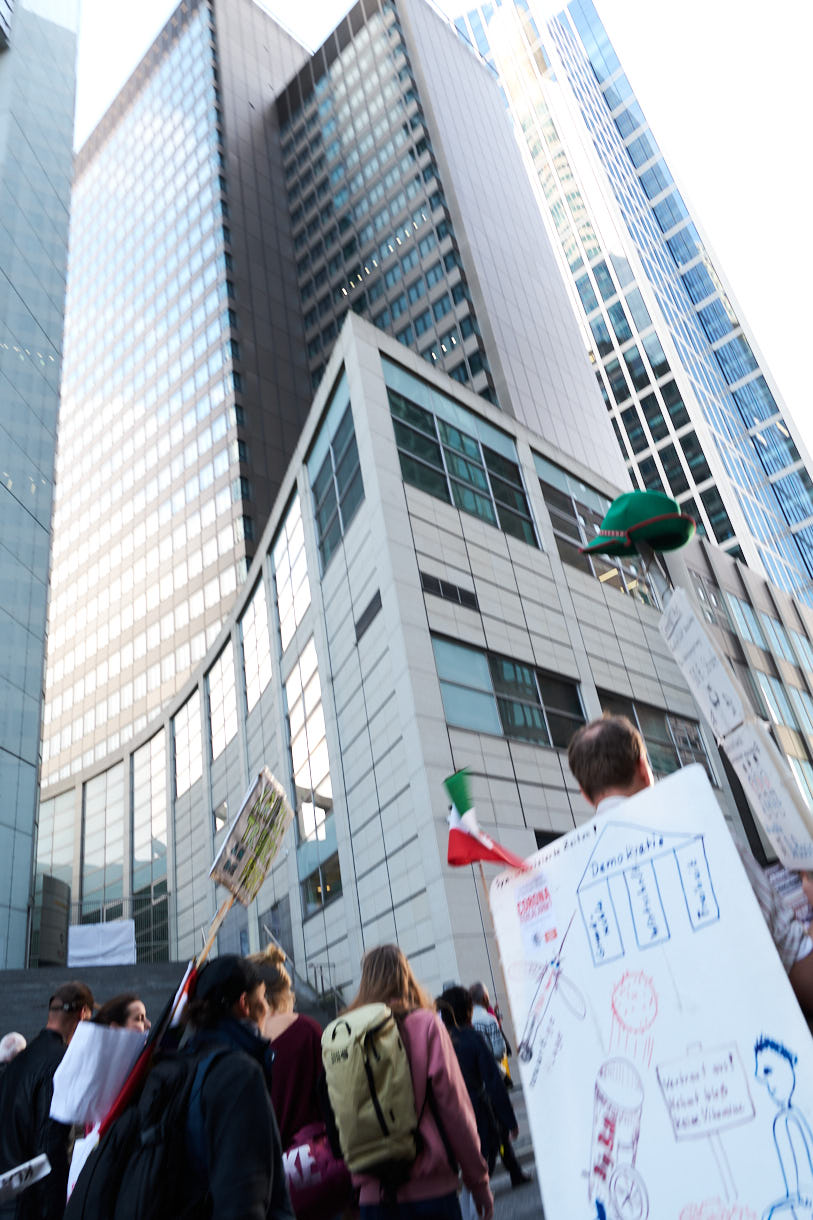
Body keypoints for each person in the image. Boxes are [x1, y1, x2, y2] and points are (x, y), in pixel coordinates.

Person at [567, 714, 813, 1017]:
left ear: (584, 793)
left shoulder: (569, 888)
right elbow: (803, 972)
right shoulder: (707, 835)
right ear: (644, 767)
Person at [345, 944, 493, 1220]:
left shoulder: (347, 1035)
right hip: (431, 1190)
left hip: (373, 1195)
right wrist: (478, 1181)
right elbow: (455, 1110)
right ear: (405, 976)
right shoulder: (424, 1024)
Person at [181, 954, 294, 1220]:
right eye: (263, 998)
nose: (267, 1007)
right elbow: (244, 1198)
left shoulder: (183, 1062)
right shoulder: (239, 1074)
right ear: (245, 1004)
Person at [0, 981, 94, 1220]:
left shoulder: (16, 1063)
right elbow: (50, 1147)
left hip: (8, 1199)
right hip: (33, 1206)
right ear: (83, 1014)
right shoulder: (62, 1063)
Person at [436, 988, 518, 1177]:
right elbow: (493, 1081)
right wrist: (510, 1120)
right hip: (477, 1111)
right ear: (468, 1010)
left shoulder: (438, 1043)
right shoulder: (471, 1039)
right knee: (485, 1158)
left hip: (449, 1118)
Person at [248, 946, 322, 1149]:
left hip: (262, 1163)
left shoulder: (242, 1040)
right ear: (285, 992)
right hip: (307, 1160)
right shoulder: (309, 1030)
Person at [468, 984, 529, 1188]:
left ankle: (514, 1171)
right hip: (492, 1078)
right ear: (485, 998)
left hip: (474, 1084)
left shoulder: (466, 1021)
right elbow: (498, 1051)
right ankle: (496, 1177)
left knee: (491, 1131)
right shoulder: (488, 1019)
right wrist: (499, 1026)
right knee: (500, 1129)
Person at [754, 1036, 813, 1217]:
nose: (762, 1079)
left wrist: (771, 1211)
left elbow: (802, 1195)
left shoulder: (789, 1119)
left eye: (767, 1070)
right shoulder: (787, 1118)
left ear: (789, 1062)